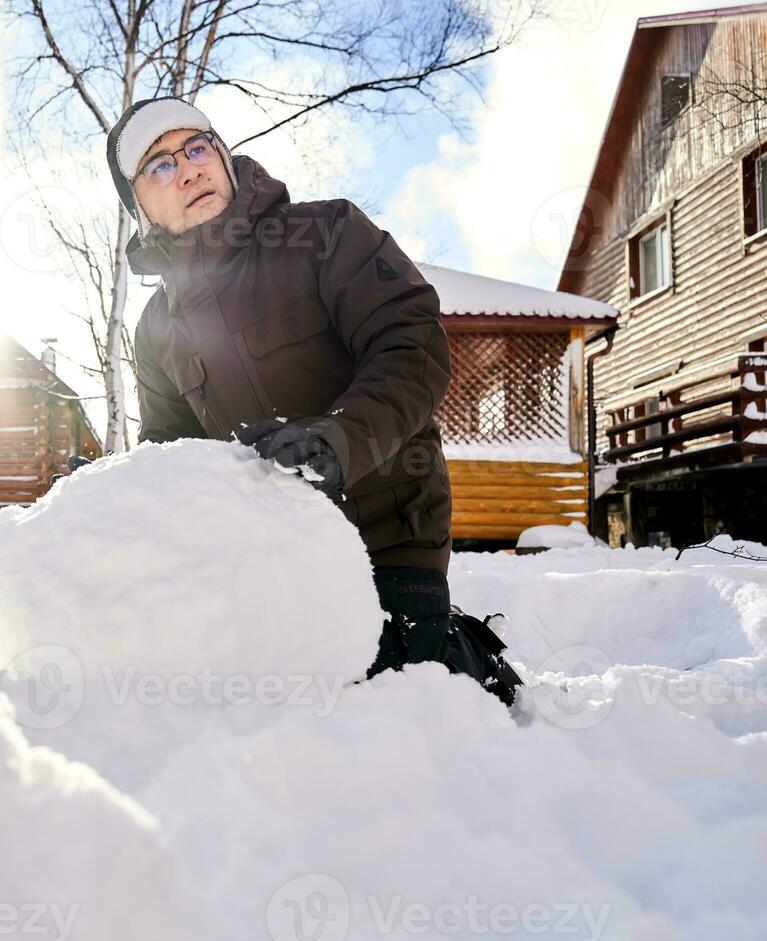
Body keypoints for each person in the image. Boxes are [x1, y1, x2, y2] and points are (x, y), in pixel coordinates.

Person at [97, 95, 521, 706]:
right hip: (273, 549)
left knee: (396, 695)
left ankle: (464, 654)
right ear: (139, 205)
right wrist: (117, 492)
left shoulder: (327, 233)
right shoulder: (157, 328)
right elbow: (172, 456)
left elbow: (413, 349)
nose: (188, 168)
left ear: (222, 155)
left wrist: (338, 439)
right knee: (281, 705)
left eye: (196, 147)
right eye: (159, 164)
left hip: (391, 525)